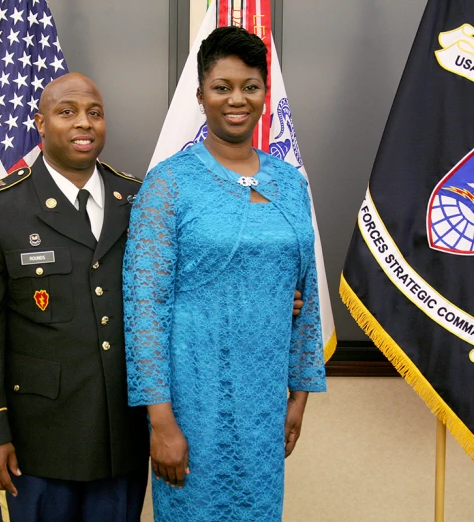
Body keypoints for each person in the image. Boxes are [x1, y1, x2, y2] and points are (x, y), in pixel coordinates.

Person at [123, 26, 327, 521]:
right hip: (192, 403)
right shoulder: (168, 183)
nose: (237, 99)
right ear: (201, 96)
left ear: (264, 94)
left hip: (264, 405)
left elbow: (306, 296)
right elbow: (143, 306)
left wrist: (298, 398)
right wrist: (161, 423)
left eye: (250, 86)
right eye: (222, 87)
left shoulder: (290, 182)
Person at [0, 73, 150, 522]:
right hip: (36, 444)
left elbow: (175, 293)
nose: (84, 123)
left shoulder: (138, 199)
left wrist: (266, 299)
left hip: (123, 439)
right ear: (39, 123)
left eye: (94, 113)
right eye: (67, 112)